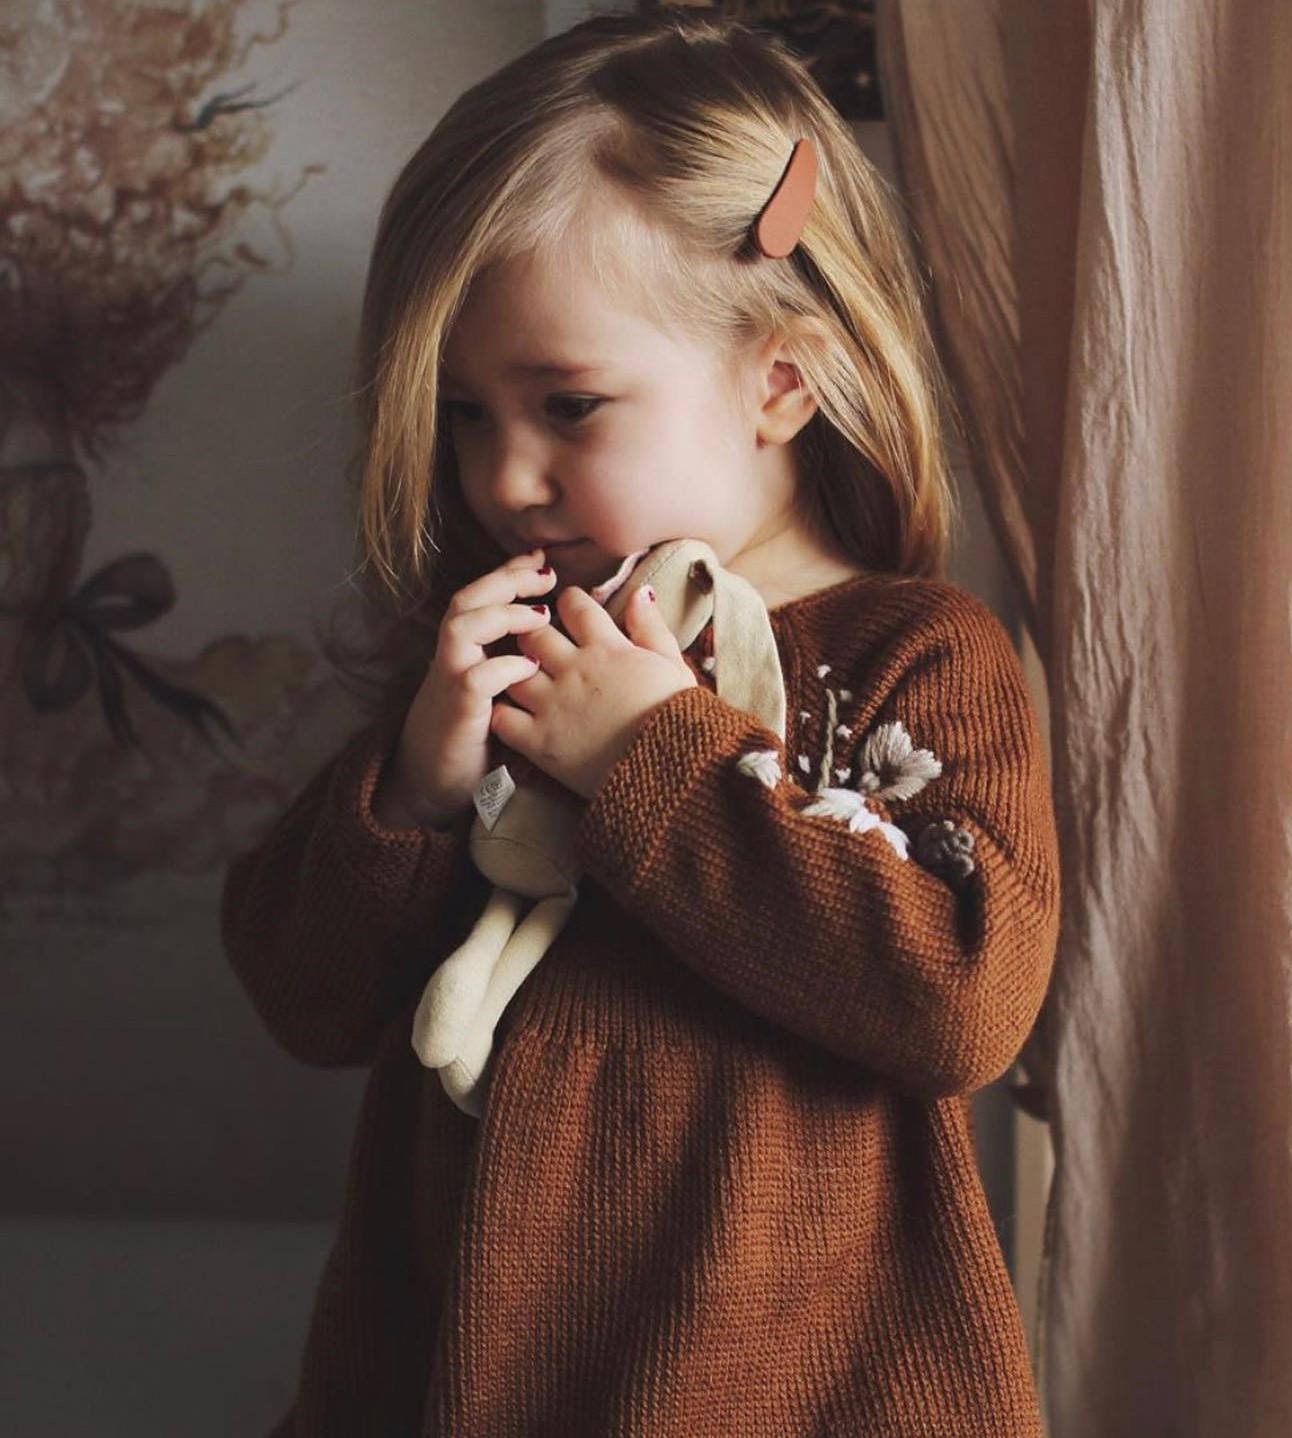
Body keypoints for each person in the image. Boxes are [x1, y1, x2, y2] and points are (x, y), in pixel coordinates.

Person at [220, 10, 1061, 1436]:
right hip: (454, 1371)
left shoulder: (915, 655)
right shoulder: (498, 657)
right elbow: (305, 1002)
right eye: (465, 412)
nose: (503, 475)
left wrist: (655, 760)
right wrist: (411, 796)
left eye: (569, 405)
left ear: (778, 383)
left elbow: (963, 997)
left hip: (793, 1386)